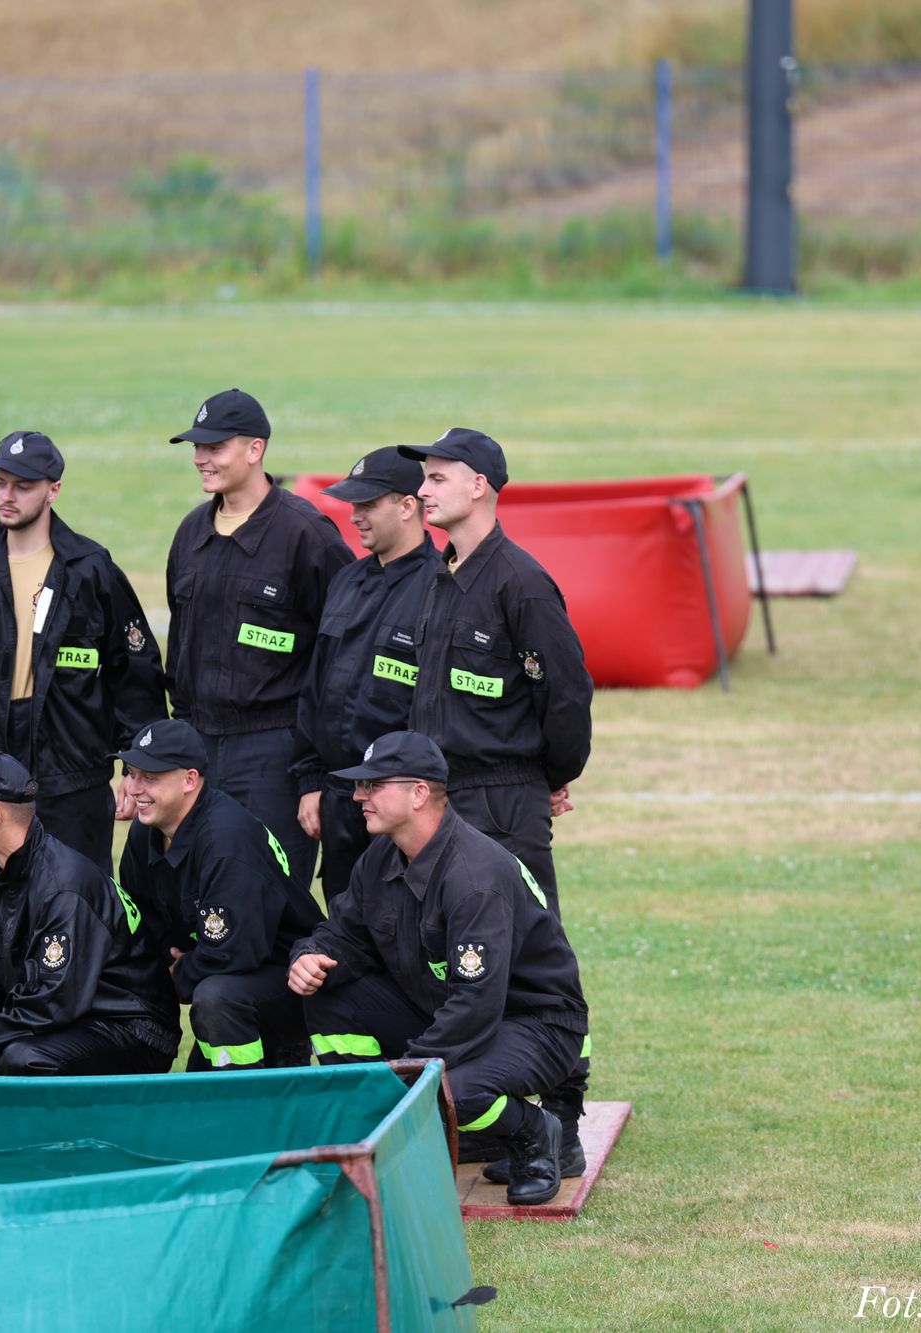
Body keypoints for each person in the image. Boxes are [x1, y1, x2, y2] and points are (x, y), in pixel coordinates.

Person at [287, 731, 591, 1207]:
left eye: (373, 785)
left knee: (449, 1090)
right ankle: (378, 1132)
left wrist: (408, 1076)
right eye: (361, 785)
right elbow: (343, 934)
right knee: (327, 991)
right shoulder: (381, 856)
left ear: (418, 793)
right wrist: (308, 956)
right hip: (448, 1010)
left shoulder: (474, 877)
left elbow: (476, 1006)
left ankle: (533, 1132)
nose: (359, 796)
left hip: (535, 1025)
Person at [0, 430, 166, 873]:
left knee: (76, 893)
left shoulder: (90, 569)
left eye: (23, 486)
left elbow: (135, 672)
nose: (8, 496)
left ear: (53, 490)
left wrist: (140, 770)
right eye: (0, 483)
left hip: (73, 773)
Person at [163, 388, 353, 899]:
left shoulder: (306, 534)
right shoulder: (190, 533)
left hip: (275, 753)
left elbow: (340, 656)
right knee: (199, 894)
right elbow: (179, 647)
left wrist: (314, 772)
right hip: (198, 750)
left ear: (255, 449)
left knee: (272, 898)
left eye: (215, 447)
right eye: (197, 447)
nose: (201, 458)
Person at [397, 428, 592, 915]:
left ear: (478, 486)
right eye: (425, 479)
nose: (422, 490)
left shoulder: (521, 582)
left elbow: (565, 693)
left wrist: (547, 778)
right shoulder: (441, 576)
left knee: (523, 943)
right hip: (439, 797)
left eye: (437, 479)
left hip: (502, 802)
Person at [0, 752, 179, 1077]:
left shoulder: (63, 888)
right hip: (69, 1019)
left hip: (131, 1029)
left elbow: (53, 1001)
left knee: (22, 1059)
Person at [115, 719, 323, 1070]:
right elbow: (143, 916)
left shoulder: (226, 840)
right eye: (131, 774)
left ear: (189, 780)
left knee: (214, 999)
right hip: (222, 971)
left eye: (149, 777)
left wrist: (179, 975)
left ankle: (257, 1078)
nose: (134, 789)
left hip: (288, 978)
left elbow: (233, 953)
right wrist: (163, 967)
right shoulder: (145, 831)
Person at [292, 447, 443, 897]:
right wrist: (311, 782)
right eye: (353, 504)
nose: (355, 516)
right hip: (341, 796)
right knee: (345, 920)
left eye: (368, 505)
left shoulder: (441, 589)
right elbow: (315, 689)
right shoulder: (346, 581)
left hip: (403, 802)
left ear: (407, 505)